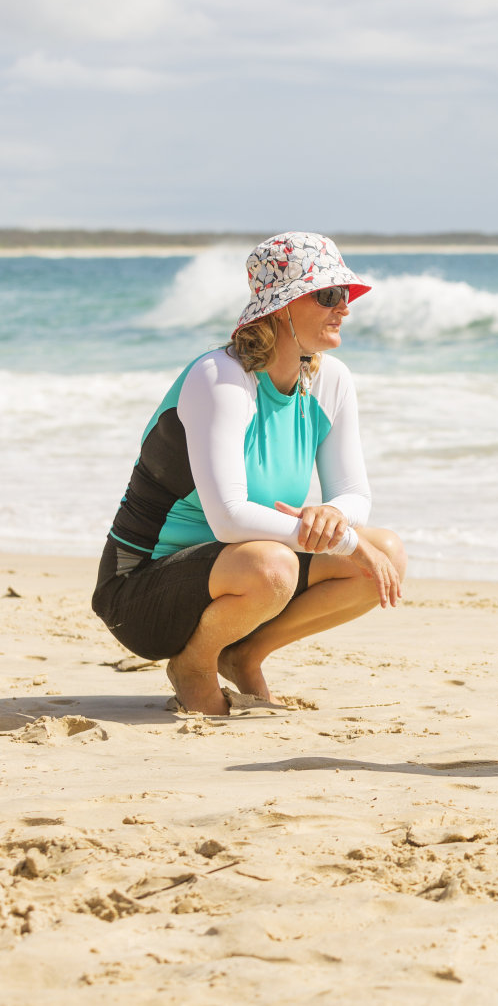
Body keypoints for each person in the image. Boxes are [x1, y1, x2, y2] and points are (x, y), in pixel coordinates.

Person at [92, 232, 406, 716]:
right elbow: (230, 520)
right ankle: (193, 665)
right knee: (274, 564)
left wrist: (334, 514)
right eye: (327, 295)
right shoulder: (220, 377)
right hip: (140, 591)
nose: (343, 308)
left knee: (385, 553)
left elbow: (354, 492)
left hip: (242, 579)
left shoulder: (330, 380)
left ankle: (243, 654)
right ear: (281, 308)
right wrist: (346, 540)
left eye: (344, 295)